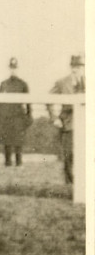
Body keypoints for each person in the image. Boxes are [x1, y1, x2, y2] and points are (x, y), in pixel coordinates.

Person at [48, 54, 85, 185]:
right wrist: (54, 118)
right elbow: (49, 99)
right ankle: (70, 185)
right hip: (68, 125)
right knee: (69, 155)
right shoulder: (62, 83)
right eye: (73, 66)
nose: (76, 69)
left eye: (79, 66)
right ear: (71, 67)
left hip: (87, 125)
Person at [0, 57, 32, 167]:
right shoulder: (4, 84)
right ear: (9, 69)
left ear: (18, 69)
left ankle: (19, 163)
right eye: (11, 68)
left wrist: (29, 117)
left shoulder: (23, 84)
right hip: (6, 117)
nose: (13, 70)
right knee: (7, 141)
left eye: (15, 68)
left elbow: (29, 103)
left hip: (18, 116)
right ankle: (7, 163)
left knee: (18, 141)